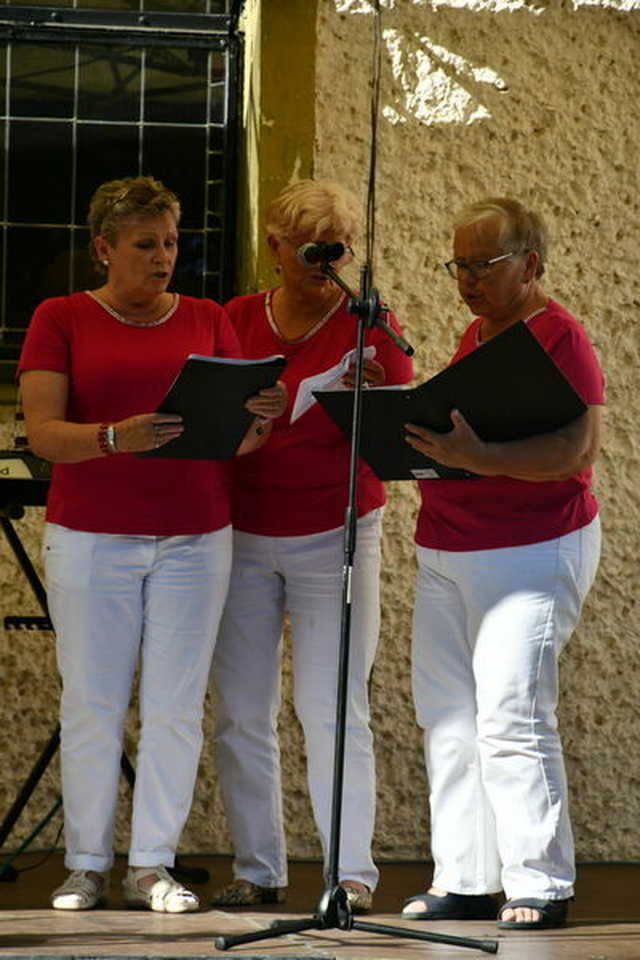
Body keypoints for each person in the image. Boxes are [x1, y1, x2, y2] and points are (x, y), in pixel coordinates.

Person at [17, 175, 285, 913]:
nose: (164, 256)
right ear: (104, 249)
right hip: (93, 538)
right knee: (93, 702)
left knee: (174, 706)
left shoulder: (207, 317)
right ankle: (85, 864)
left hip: (197, 538)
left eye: (171, 242)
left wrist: (262, 414)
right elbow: (42, 435)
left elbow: (241, 439)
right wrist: (114, 437)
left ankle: (152, 866)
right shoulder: (61, 316)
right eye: (146, 245)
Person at [209, 179, 414, 913]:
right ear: (273, 245)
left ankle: (350, 872)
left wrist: (376, 384)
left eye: (338, 249)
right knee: (241, 708)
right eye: (310, 248)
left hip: (338, 529)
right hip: (243, 531)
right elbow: (210, 412)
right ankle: (258, 867)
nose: (324, 263)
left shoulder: (369, 320)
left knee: (333, 705)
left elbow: (403, 418)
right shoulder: (234, 318)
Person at [402, 197, 604, 930]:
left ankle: (541, 882)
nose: (464, 281)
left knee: (513, 714)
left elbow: (575, 451)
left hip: (530, 551)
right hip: (447, 551)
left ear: (530, 263)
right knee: (448, 718)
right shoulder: (478, 331)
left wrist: (480, 459)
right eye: (455, 265)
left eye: (479, 266)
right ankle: (466, 878)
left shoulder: (560, 337)